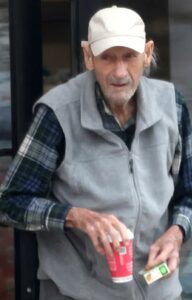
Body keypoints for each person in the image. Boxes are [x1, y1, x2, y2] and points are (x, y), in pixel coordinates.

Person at [0, 5, 192, 300]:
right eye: (107, 58)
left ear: (146, 52)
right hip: (79, 293)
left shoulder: (172, 104)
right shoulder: (58, 113)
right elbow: (11, 203)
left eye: (129, 57)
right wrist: (76, 216)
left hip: (159, 289)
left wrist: (177, 232)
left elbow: (188, 194)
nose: (119, 72)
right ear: (88, 56)